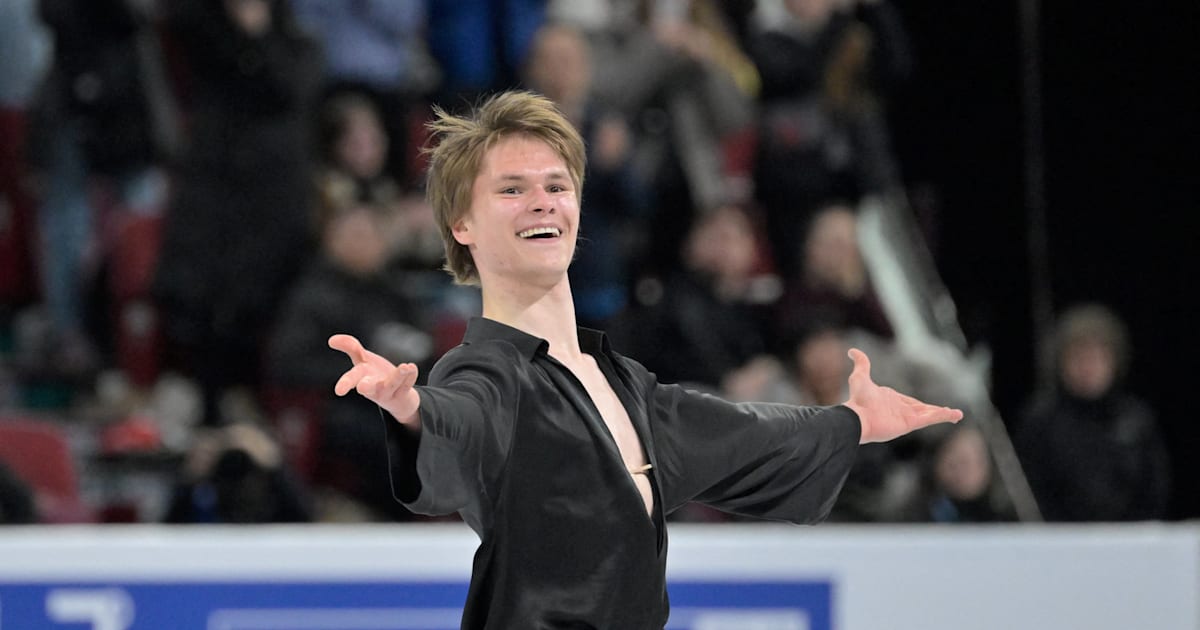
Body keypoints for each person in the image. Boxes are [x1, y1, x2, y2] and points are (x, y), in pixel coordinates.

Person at [328, 91, 961, 628]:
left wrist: (854, 422)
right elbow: (460, 422)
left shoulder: (629, 388)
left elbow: (748, 437)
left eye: (556, 185)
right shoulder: (488, 374)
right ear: (462, 223)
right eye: (512, 189)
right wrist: (411, 410)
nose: (543, 201)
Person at [1015, 303, 1171, 521]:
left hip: (1130, 542)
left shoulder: (1136, 420)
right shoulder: (1040, 421)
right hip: (1058, 542)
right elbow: (1028, 489)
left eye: (1097, 358)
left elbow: (1154, 489)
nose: (1088, 368)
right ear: (1061, 362)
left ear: (1115, 361)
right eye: (1079, 357)